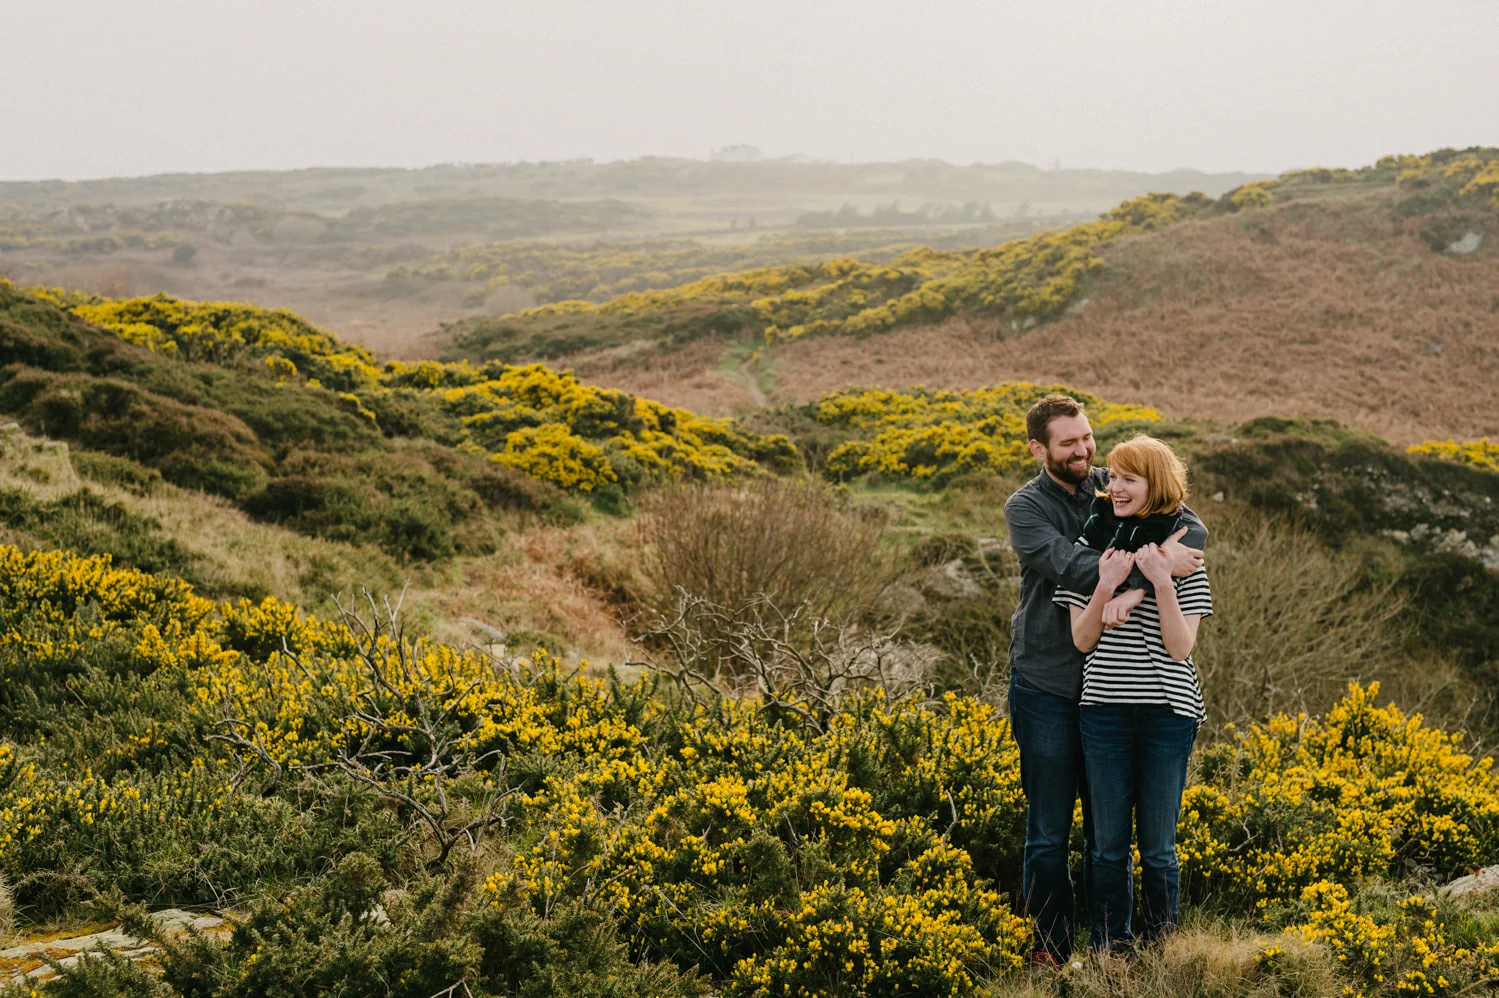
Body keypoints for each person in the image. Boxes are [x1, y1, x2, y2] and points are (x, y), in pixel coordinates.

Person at [1003, 395, 1207, 965]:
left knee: (1107, 836)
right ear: (1039, 449)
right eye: (1068, 443)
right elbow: (1074, 565)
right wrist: (1156, 561)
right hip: (1047, 681)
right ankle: (1049, 945)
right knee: (1047, 832)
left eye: (1087, 437)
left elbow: (1191, 523)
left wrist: (1146, 581)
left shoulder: (1109, 481)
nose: (1083, 450)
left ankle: (1108, 948)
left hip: (1110, 695)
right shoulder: (1025, 508)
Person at [1052, 433, 1212, 952]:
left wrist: (1158, 581)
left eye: (1129, 479)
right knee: (1107, 848)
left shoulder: (1186, 555)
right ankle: (1110, 950)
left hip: (1168, 713)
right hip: (1103, 711)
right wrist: (1106, 586)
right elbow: (1081, 639)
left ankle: (1162, 951)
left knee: (1159, 848)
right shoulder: (1091, 547)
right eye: (1113, 477)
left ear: (1155, 484)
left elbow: (1180, 646)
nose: (1114, 487)